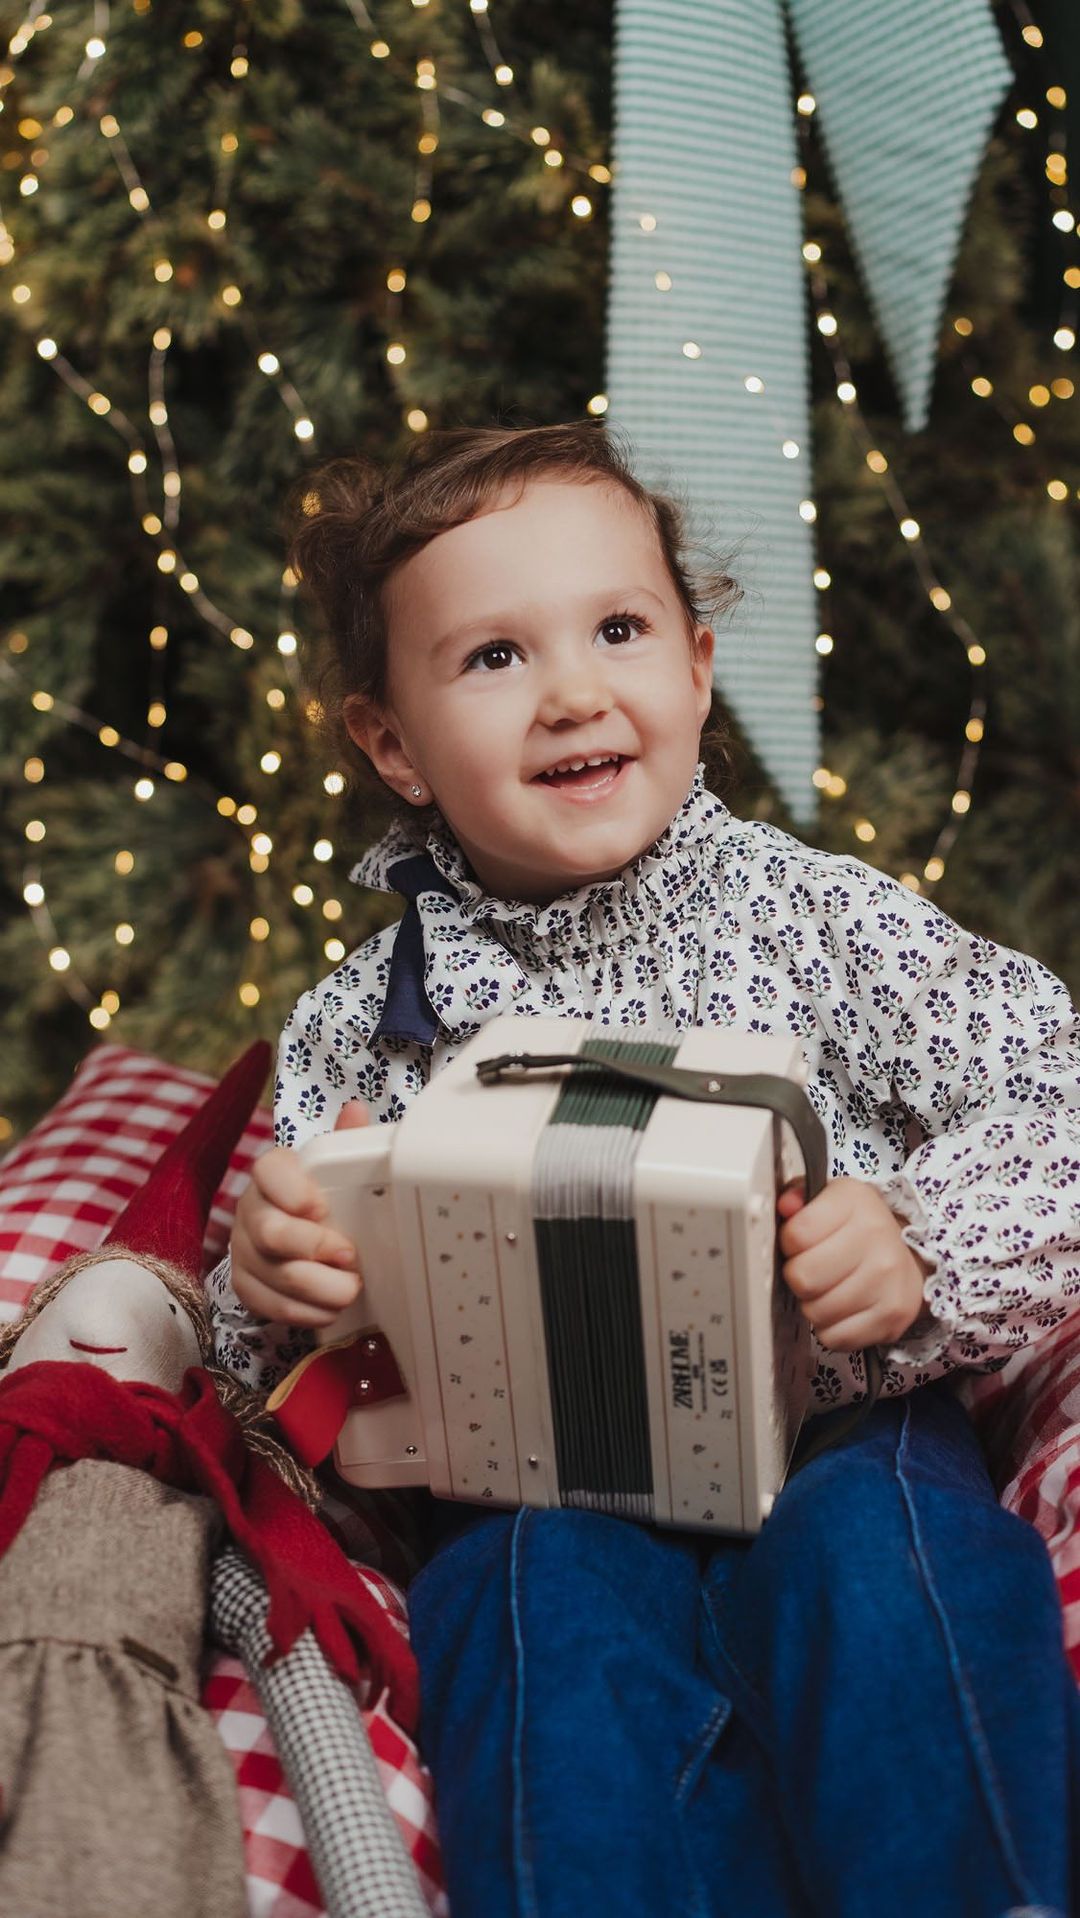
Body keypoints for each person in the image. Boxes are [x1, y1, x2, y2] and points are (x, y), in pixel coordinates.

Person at [210, 421, 1080, 1917]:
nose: (570, 691)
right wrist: (279, 1279)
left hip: (839, 1424)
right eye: (493, 656)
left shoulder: (816, 918)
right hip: (536, 1476)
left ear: (692, 664)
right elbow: (279, 1360)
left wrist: (924, 1241)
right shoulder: (360, 1016)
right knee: (531, 1625)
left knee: (896, 1576)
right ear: (393, 743)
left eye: (618, 629)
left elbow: (1056, 1083)